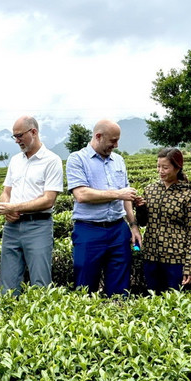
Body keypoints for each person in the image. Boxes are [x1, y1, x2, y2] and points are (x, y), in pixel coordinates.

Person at [66, 120, 143, 296]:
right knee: (85, 287)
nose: (116, 145)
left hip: (118, 229)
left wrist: (133, 225)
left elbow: (127, 197)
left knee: (120, 288)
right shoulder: (77, 159)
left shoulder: (119, 160)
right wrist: (118, 194)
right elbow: (82, 195)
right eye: (113, 140)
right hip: (89, 230)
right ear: (98, 137)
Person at [0, 116, 63, 296]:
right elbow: (6, 191)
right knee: (7, 284)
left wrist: (14, 207)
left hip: (38, 225)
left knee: (40, 282)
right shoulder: (15, 160)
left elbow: (48, 200)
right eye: (14, 137)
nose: (16, 140)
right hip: (12, 227)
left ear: (33, 132)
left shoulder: (52, 160)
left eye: (19, 136)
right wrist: (6, 206)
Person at [135, 148, 191, 293]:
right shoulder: (150, 189)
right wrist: (140, 208)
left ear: (177, 168)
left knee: (175, 303)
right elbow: (143, 222)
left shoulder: (187, 195)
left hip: (176, 259)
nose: (160, 171)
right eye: (158, 166)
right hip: (151, 256)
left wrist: (190, 265)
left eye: (165, 167)